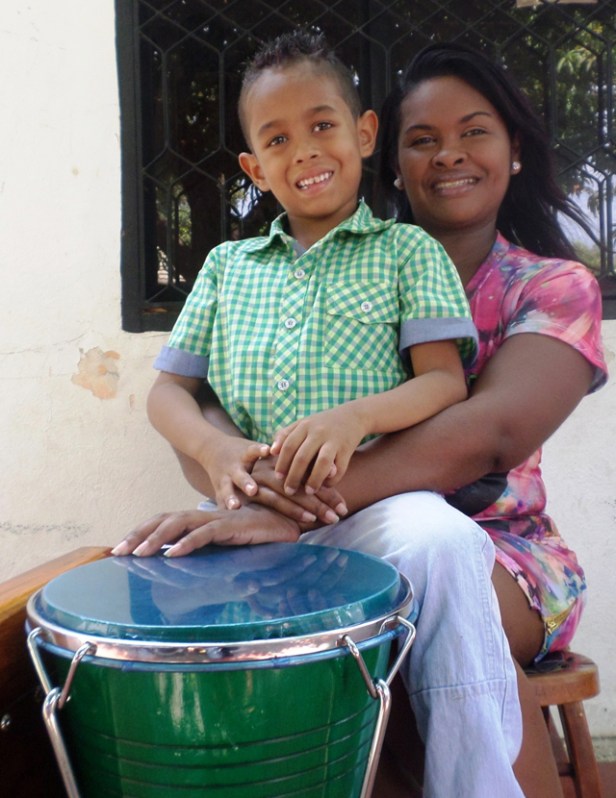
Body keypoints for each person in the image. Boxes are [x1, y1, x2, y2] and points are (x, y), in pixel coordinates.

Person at [113, 41, 608, 798]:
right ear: (394, 155)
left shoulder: (545, 284)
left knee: (407, 622)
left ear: (513, 151)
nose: (449, 154)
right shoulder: (246, 270)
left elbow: (487, 434)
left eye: (474, 131)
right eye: (425, 139)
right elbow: (196, 395)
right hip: (301, 522)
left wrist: (296, 511)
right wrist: (229, 463)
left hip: (495, 552)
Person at [130, 29, 476, 530]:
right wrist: (217, 451)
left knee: (442, 538)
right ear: (256, 170)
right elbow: (168, 393)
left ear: (363, 134)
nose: (304, 152)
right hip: (249, 498)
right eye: (277, 139)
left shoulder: (408, 252)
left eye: (321, 125)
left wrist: (356, 418)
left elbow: (444, 382)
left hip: (373, 506)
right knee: (175, 568)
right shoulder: (227, 266)